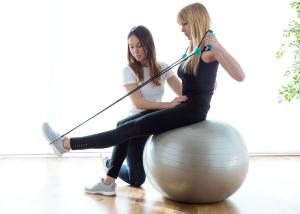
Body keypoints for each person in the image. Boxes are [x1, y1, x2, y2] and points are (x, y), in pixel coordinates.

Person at [42, 1, 245, 194]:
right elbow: (195, 80)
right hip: (184, 106)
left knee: (128, 130)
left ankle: (66, 144)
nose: (182, 29)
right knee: (125, 125)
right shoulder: (193, 46)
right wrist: (208, 84)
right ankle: (105, 175)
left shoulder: (210, 49)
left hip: (191, 111)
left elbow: (240, 76)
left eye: (184, 23)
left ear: (196, 20)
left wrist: (218, 48)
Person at [90, 25, 184, 195]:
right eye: (131, 46)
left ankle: (111, 164)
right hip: (135, 122)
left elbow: (182, 92)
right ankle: (110, 164)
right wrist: (168, 105)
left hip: (152, 122)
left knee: (137, 177)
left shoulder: (162, 67)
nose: (135, 51)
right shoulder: (129, 70)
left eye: (139, 45)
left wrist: (206, 84)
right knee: (137, 180)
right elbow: (139, 103)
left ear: (148, 44)